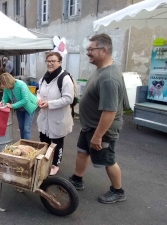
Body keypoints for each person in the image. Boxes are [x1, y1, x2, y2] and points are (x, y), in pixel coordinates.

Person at [68, 33, 126, 204]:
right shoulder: (101, 70)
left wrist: (98, 135)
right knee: (82, 151)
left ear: (104, 50)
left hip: (101, 129)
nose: (87, 53)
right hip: (90, 125)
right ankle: (77, 180)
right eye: (87, 49)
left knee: (108, 160)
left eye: (91, 49)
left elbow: (110, 111)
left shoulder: (108, 77)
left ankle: (118, 191)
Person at [37, 52, 74, 176]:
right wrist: (39, 99)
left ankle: (55, 164)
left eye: (53, 61)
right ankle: (45, 160)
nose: (50, 63)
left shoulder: (64, 78)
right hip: (45, 116)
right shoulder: (44, 77)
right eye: (48, 61)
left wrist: (49, 104)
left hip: (58, 117)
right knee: (44, 140)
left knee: (56, 142)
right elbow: (38, 91)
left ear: (60, 62)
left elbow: (69, 99)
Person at [0, 72, 37, 140]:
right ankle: (22, 142)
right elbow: (5, 98)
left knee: (26, 128)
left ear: (8, 82)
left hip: (29, 107)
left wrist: (12, 105)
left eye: (4, 85)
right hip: (19, 109)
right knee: (21, 127)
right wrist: (2, 102)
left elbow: (25, 100)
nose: (4, 87)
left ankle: (27, 145)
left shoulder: (21, 84)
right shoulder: (6, 87)